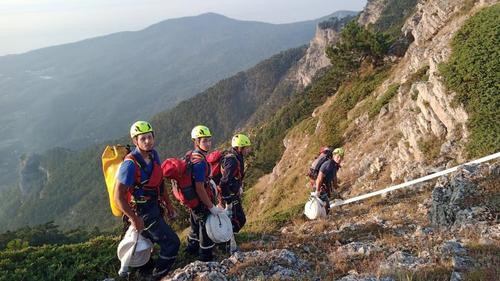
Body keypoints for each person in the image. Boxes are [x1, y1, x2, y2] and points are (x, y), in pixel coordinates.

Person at [114, 121, 180, 279]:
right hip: (143, 213)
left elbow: (159, 181)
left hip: (155, 207)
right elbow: (118, 196)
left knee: (146, 242)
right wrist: (134, 218)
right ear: (135, 141)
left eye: (149, 137)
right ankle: (157, 276)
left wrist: (169, 205)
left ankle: (144, 272)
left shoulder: (153, 155)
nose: (147, 141)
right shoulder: (130, 165)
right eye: (142, 138)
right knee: (172, 243)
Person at [185, 125, 225, 261]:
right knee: (205, 229)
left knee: (195, 226)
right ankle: (205, 257)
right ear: (196, 141)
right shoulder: (200, 163)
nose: (208, 143)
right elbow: (200, 188)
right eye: (204, 141)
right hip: (201, 201)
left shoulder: (192, 155)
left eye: (209, 140)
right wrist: (210, 206)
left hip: (192, 200)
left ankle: (190, 249)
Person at [217, 134, 251, 235]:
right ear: (239, 148)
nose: (248, 150)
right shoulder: (232, 161)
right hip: (229, 195)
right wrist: (228, 200)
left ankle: (228, 238)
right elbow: (224, 182)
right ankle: (227, 239)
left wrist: (239, 187)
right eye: (246, 148)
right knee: (239, 219)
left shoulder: (236, 156)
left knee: (236, 218)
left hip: (232, 193)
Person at [311, 147, 344, 214]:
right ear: (334, 156)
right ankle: (323, 219)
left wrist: (336, 189)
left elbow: (334, 177)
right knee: (324, 206)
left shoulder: (335, 165)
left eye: (341, 157)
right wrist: (317, 191)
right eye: (338, 156)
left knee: (326, 204)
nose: (339, 159)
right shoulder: (328, 164)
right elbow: (319, 178)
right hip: (319, 186)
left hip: (325, 186)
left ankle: (326, 216)